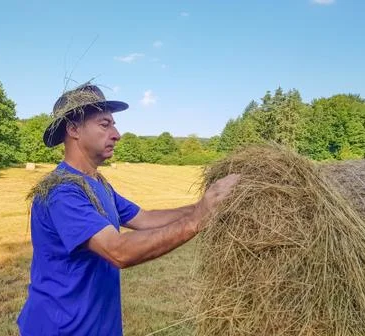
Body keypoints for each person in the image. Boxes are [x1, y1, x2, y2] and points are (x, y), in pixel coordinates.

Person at [17, 83, 240, 336]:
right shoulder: (61, 192)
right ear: (73, 129)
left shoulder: (97, 184)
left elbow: (144, 218)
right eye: (105, 124)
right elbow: (118, 251)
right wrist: (197, 219)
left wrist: (204, 205)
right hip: (61, 329)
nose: (116, 134)